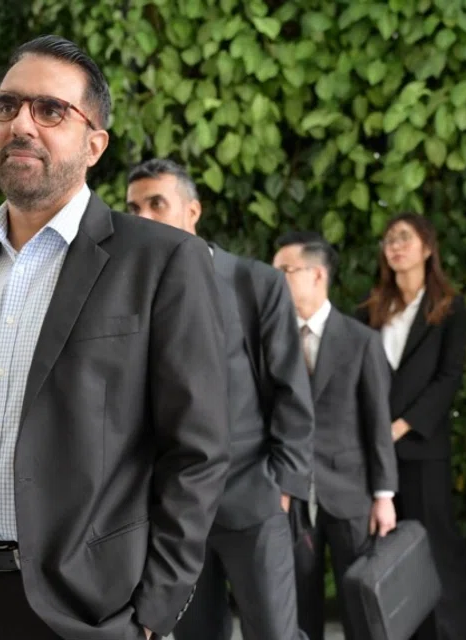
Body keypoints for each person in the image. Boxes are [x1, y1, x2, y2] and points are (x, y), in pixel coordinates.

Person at [0, 36, 230, 640]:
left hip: (90, 612)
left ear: (94, 144)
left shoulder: (161, 261)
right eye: (7, 106)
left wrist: (154, 611)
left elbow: (198, 451)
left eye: (50, 110)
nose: (21, 123)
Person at [127, 158, 314, 640]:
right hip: (175, 513)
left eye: (156, 204)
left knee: (274, 633)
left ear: (193, 211)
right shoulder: (127, 293)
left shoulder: (255, 283)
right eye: (133, 207)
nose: (142, 217)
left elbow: (292, 391)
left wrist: (284, 487)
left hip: (254, 497)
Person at [359, 213, 466, 640]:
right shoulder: (370, 308)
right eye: (389, 239)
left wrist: (402, 426)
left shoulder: (449, 307)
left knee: (437, 547)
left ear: (427, 248)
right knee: (388, 553)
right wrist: (377, 431)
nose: (395, 246)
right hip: (375, 451)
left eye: (405, 238)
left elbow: (449, 378)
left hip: (422, 448)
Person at [272, 231, 398, 640]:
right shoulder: (268, 340)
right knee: (296, 606)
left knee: (360, 603)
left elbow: (377, 424)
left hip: (349, 495)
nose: (275, 280)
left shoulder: (361, 341)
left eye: (285, 271)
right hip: (287, 496)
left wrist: (384, 497)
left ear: (317, 275)